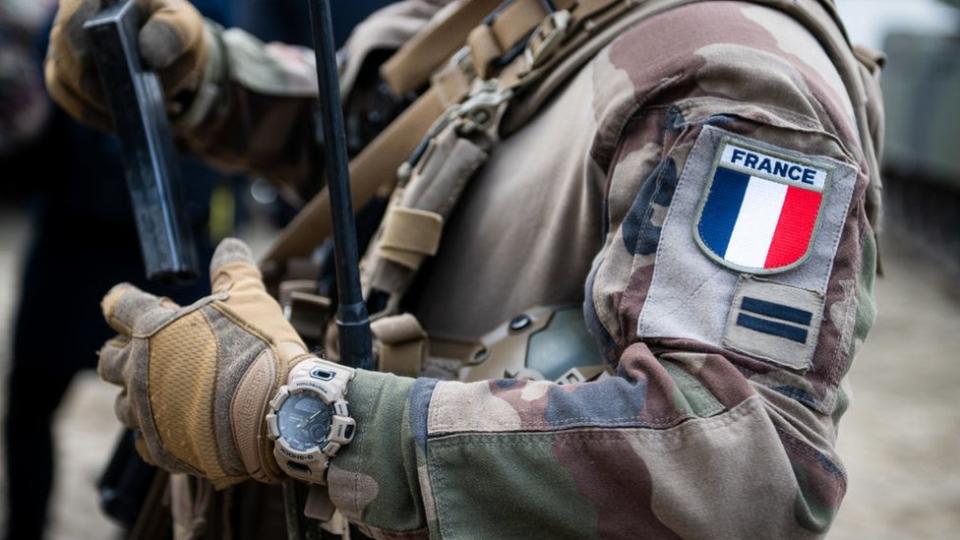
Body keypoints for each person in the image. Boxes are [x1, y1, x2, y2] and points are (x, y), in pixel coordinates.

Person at [44, 0, 884, 537]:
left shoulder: (739, 87)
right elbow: (391, 135)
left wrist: (298, 413)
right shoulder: (559, 15)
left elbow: (738, 461)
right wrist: (206, 80)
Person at [1, 2, 232, 538]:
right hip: (71, 240)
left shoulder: (207, 9)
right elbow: (33, 140)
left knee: (168, 423)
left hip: (172, 248)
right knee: (30, 405)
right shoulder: (69, 13)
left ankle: (135, 525)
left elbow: (231, 107)